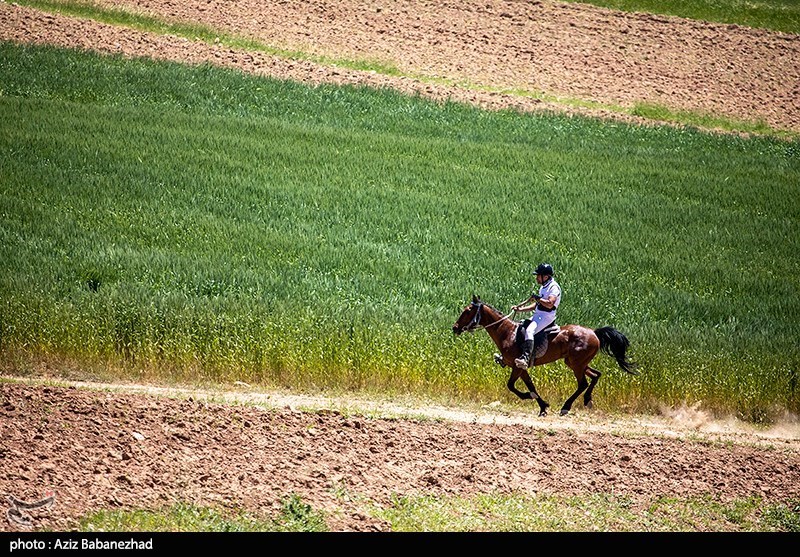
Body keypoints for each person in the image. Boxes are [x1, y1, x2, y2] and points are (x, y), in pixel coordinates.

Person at [511, 263, 561, 370]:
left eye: (538, 275)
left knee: (529, 331)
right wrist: (520, 309)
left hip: (547, 316)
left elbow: (550, 303)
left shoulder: (554, 287)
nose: (536, 278)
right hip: (539, 314)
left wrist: (538, 299)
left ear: (546, 276)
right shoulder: (544, 287)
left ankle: (525, 358)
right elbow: (537, 305)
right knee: (521, 326)